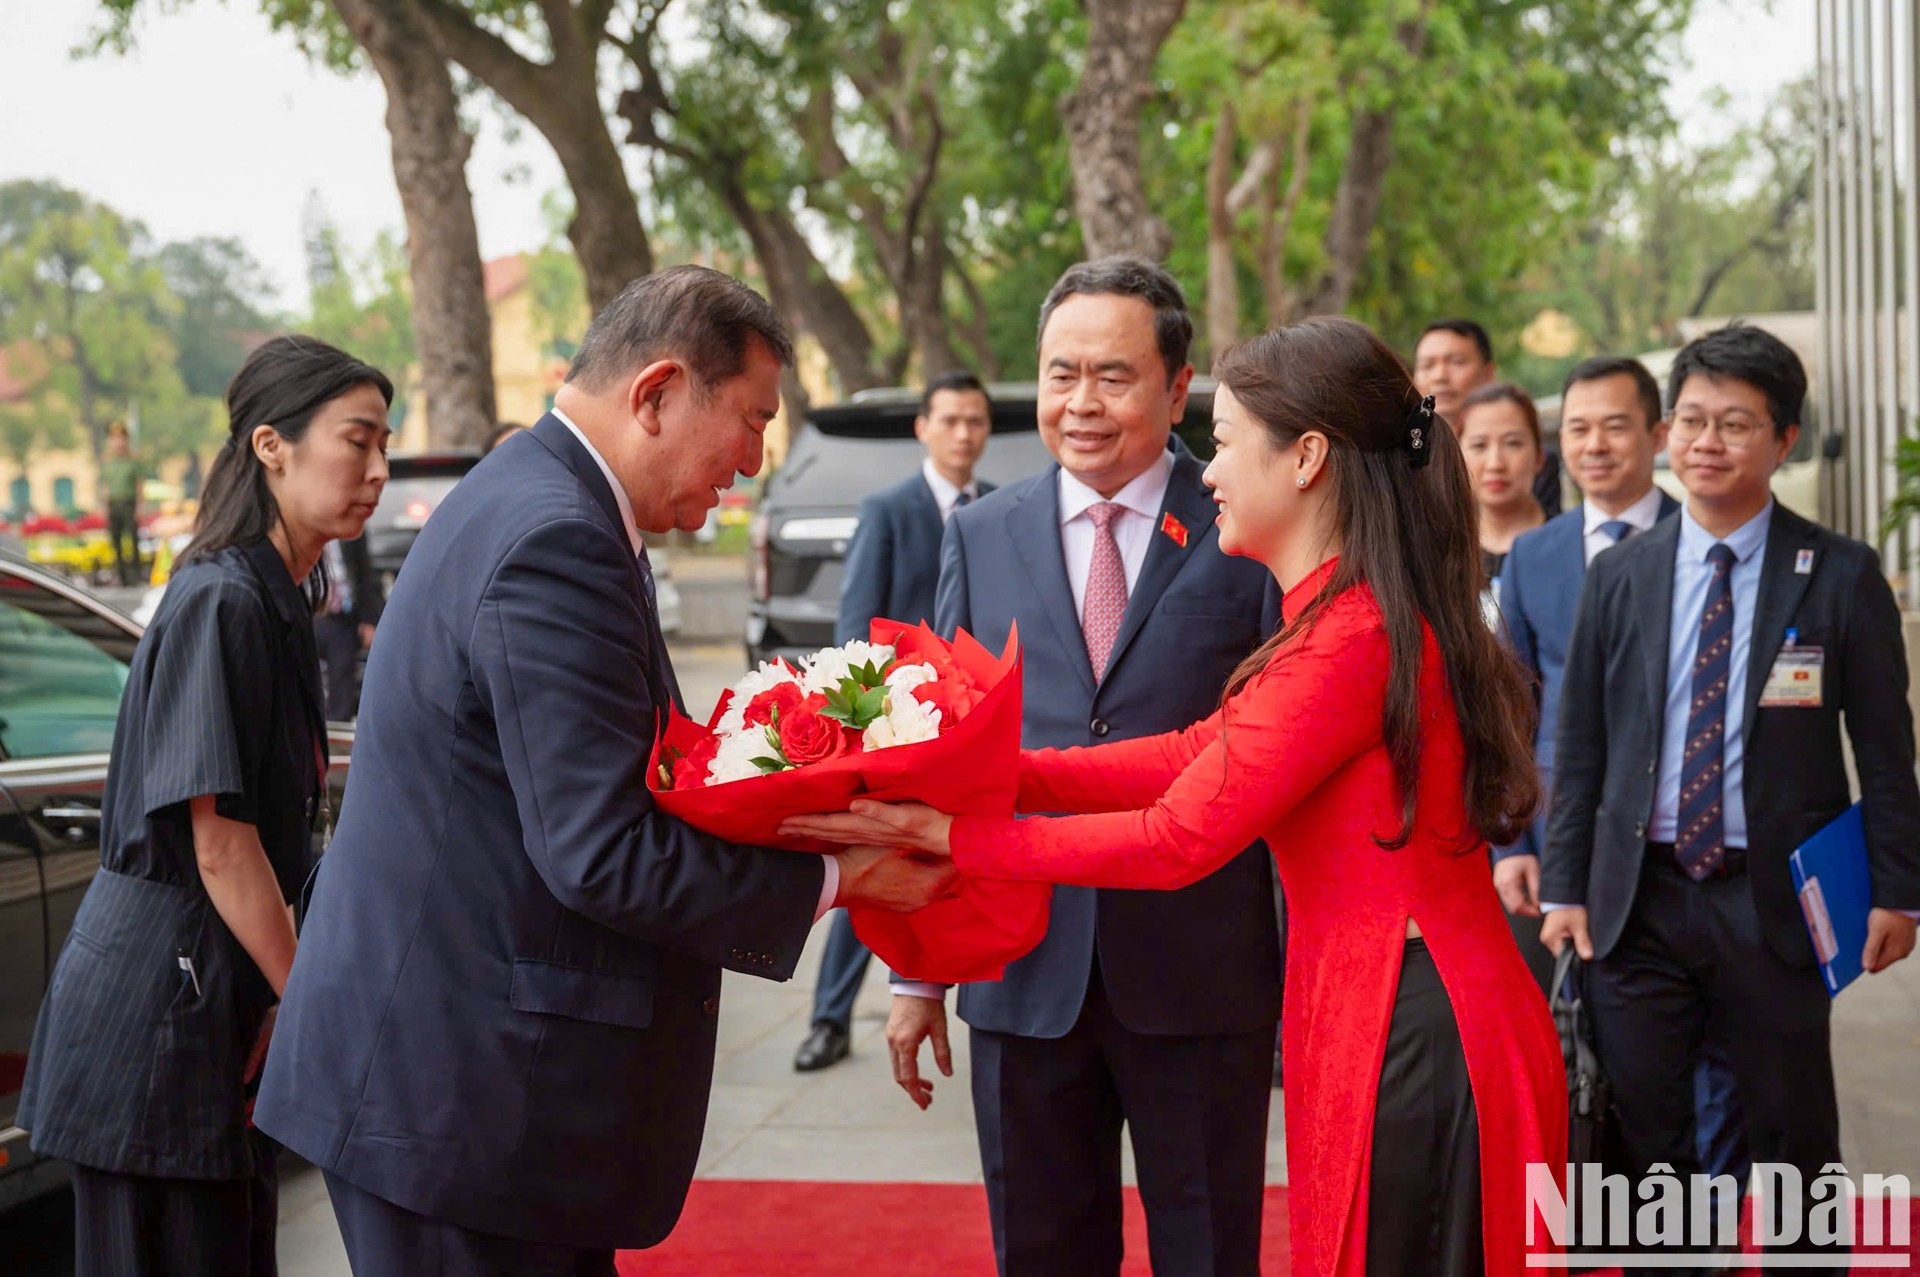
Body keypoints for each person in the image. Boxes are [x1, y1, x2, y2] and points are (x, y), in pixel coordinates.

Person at [788, 315, 1567, 1276]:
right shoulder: (1340, 614)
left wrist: (958, 834)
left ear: (1309, 458)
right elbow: (1195, 752)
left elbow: (1176, 837)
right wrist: (979, 774)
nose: (1209, 471)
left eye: (1230, 441)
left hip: (1410, 1015)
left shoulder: (1347, 636)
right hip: (1384, 997)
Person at [251, 267, 954, 1274]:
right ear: (658, 391)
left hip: (460, 1082)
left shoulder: (543, 497)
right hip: (462, 1100)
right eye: (751, 420)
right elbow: (602, 850)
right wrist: (844, 877)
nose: (753, 461)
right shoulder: (556, 534)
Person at [886, 256, 1286, 1275]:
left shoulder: (1249, 530)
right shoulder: (980, 535)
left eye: (1112, 375)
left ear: (1177, 385)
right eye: (1062, 373)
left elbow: (1285, 757)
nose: (1082, 402)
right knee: (1043, 1249)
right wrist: (919, 969)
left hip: (1200, 966)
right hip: (1023, 961)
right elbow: (940, 753)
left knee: (1209, 1248)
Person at [1540, 324, 1920, 1264]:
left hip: (1776, 899)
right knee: (1646, 1132)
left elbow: (1885, 746)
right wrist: (1565, 884)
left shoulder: (1836, 572)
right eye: (1695, 421)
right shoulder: (1622, 574)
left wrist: (1898, 889)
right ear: (1669, 433)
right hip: (1640, 898)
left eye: (1737, 424)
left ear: (1783, 440)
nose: (1709, 443)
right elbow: (1581, 738)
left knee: (1791, 1134)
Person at [18, 335, 394, 1275]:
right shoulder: (221, 600)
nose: (379, 470)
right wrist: (312, 1005)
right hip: (155, 1016)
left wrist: (276, 1001)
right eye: (359, 441)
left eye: (385, 444)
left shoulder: (275, 597)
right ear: (272, 445)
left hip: (203, 1003)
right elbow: (223, 846)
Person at [1488, 358, 1749, 1209]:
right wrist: (1518, 842)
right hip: (1574, 847)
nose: (1594, 445)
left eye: (1614, 426)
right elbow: (1513, 713)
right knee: (1604, 1062)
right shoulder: (1535, 556)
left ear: (1658, 435)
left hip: (1695, 840)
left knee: (1720, 1068)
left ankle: (1701, 1224)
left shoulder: (1710, 537)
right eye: (1577, 429)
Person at [795, 370, 995, 1073]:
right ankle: (828, 1020)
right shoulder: (889, 508)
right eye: (950, 420)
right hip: (900, 730)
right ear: (923, 427)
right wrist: (870, 726)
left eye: (975, 421)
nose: (964, 433)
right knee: (872, 875)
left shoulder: (1000, 509)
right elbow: (856, 626)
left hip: (978, 731)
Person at [1415, 318, 1561, 517]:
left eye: (1456, 362)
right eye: (1427, 365)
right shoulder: (1403, 460)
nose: (1440, 376)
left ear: (1488, 373)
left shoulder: (1533, 464)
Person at [1458, 382, 1546, 597]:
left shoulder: (1573, 545)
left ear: (1539, 456)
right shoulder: (1444, 556)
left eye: (1512, 443)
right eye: (1479, 446)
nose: (1495, 463)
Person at [313, 532, 384, 721]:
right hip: (311, 613)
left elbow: (364, 573)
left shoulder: (349, 530)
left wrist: (369, 620)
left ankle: (338, 731)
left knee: (343, 679)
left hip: (342, 616)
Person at [100, 420, 147, 586]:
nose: (118, 441)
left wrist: (139, 507)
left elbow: (139, 484)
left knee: (133, 540)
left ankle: (136, 575)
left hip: (129, 503)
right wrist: (105, 507)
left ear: (126, 439)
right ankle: (121, 575)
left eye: (121, 437)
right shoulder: (107, 460)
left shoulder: (133, 459)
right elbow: (105, 485)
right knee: (116, 541)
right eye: (114, 438)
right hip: (114, 503)